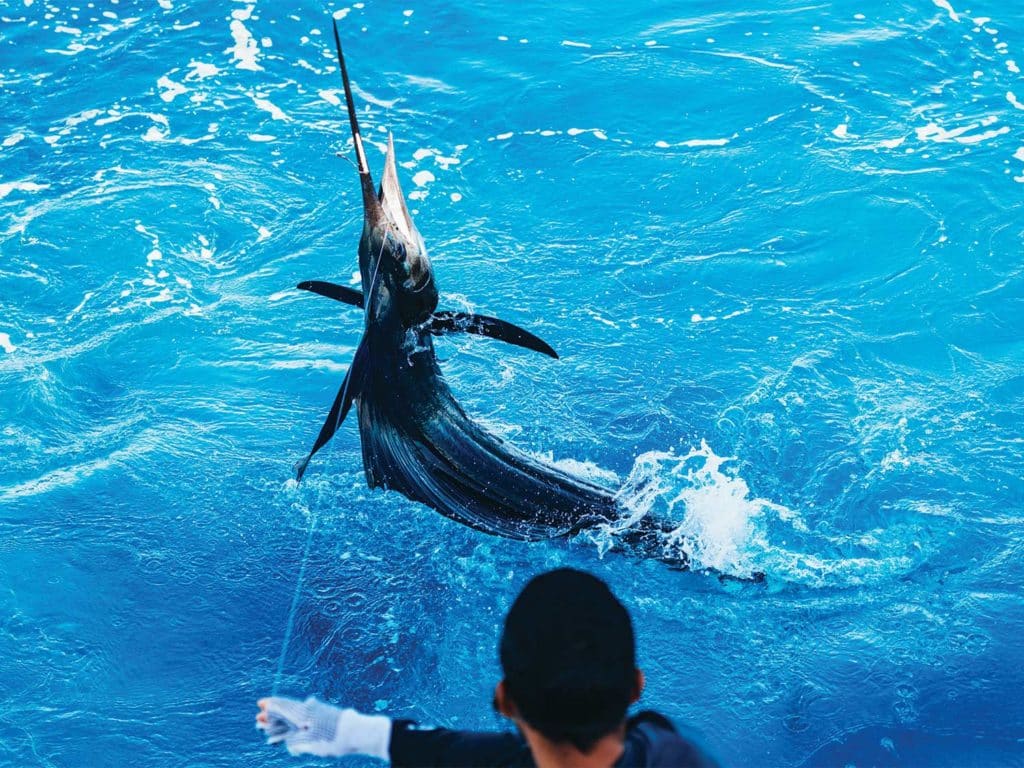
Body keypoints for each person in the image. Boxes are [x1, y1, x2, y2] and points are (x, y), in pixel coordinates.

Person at [257, 568, 719, 767]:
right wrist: (344, 731)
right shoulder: (674, 753)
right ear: (637, 687)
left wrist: (336, 730)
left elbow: (453, 754)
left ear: (504, 701)